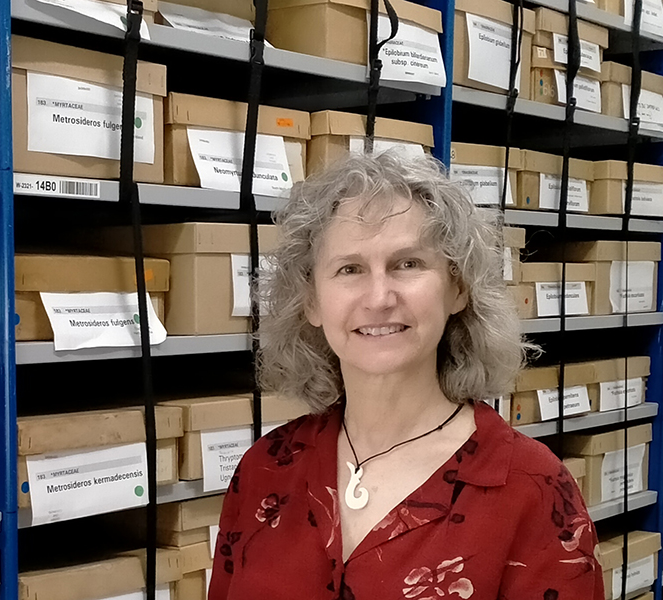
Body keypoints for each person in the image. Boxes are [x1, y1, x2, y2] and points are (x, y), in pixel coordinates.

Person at [208, 151, 603, 599]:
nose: (379, 297)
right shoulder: (265, 469)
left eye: (408, 263)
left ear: (458, 287)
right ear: (312, 302)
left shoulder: (532, 490)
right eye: (349, 269)